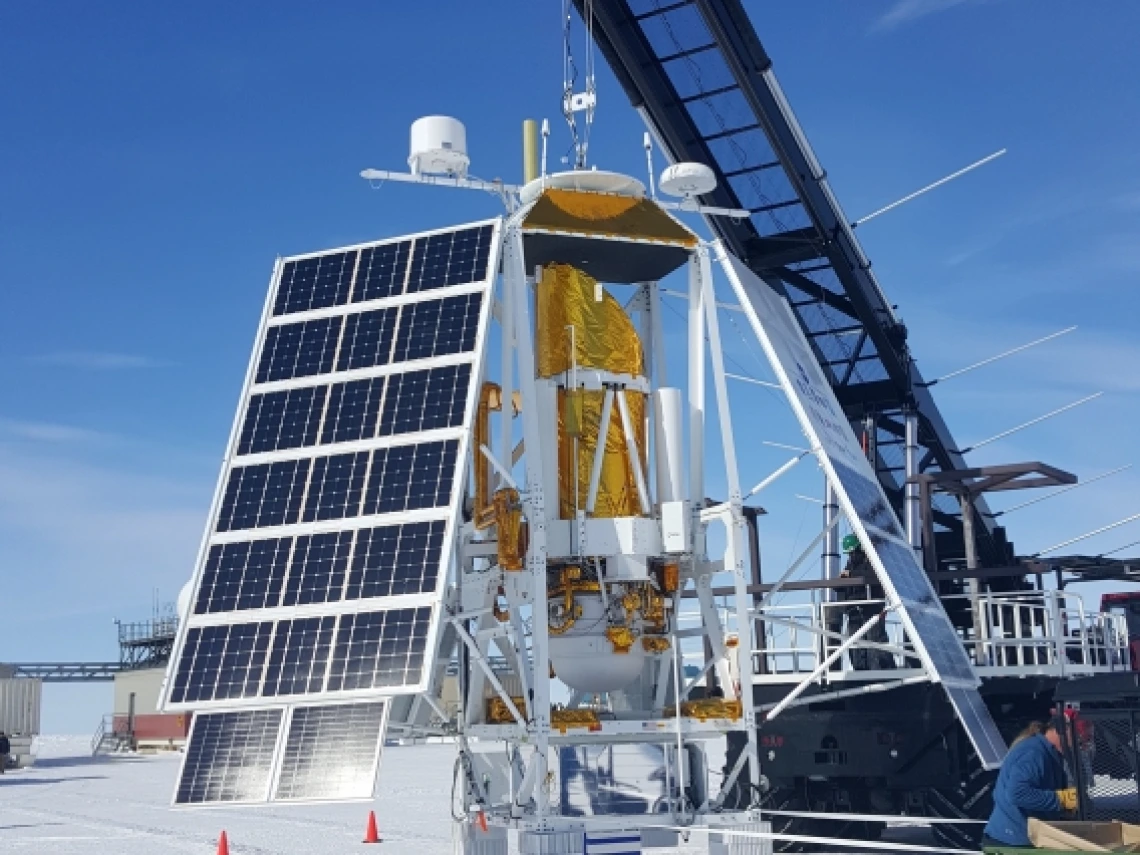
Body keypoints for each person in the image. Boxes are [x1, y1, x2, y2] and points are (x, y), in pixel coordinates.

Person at [982, 720, 1077, 848]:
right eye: (1079, 738)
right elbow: (1017, 793)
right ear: (1062, 730)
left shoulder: (1048, 752)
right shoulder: (1033, 753)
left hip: (1025, 837)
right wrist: (1061, 800)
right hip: (1012, 842)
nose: (1080, 744)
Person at [838, 535, 894, 671]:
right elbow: (844, 581)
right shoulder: (851, 563)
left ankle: (885, 669)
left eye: (853, 552)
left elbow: (872, 575)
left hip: (871, 608)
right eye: (849, 553)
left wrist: (851, 574)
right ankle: (860, 669)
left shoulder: (872, 560)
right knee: (855, 642)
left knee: (876, 640)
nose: (851, 555)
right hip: (854, 609)